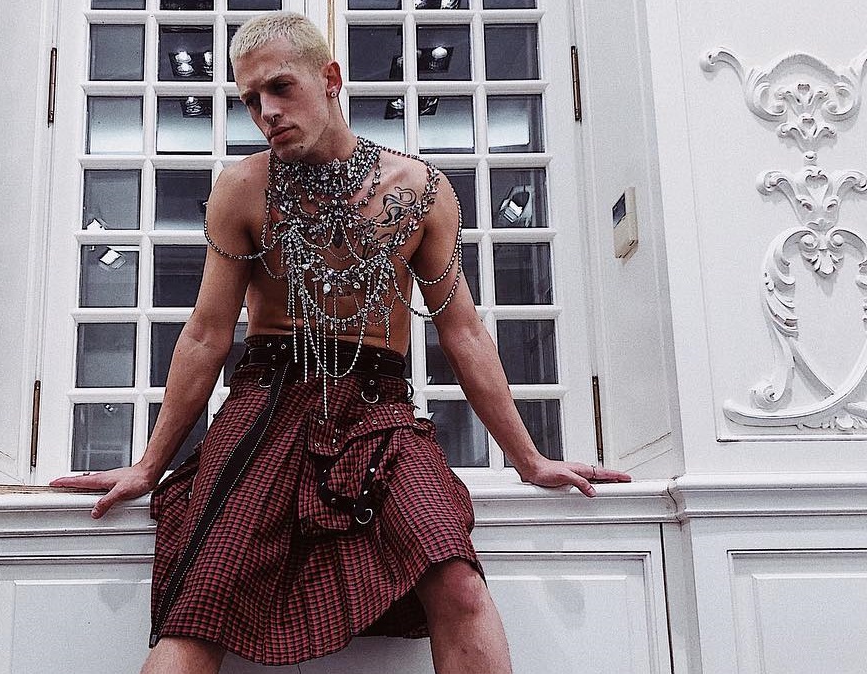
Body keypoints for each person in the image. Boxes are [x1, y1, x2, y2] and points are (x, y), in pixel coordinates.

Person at [51, 12, 632, 674]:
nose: (266, 113)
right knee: (197, 610)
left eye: (280, 88)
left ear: (330, 78)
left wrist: (528, 458)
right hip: (264, 405)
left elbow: (463, 332)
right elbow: (207, 335)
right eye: (250, 100)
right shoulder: (242, 188)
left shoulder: (421, 190)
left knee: (460, 583)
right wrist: (149, 464)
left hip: (380, 412)